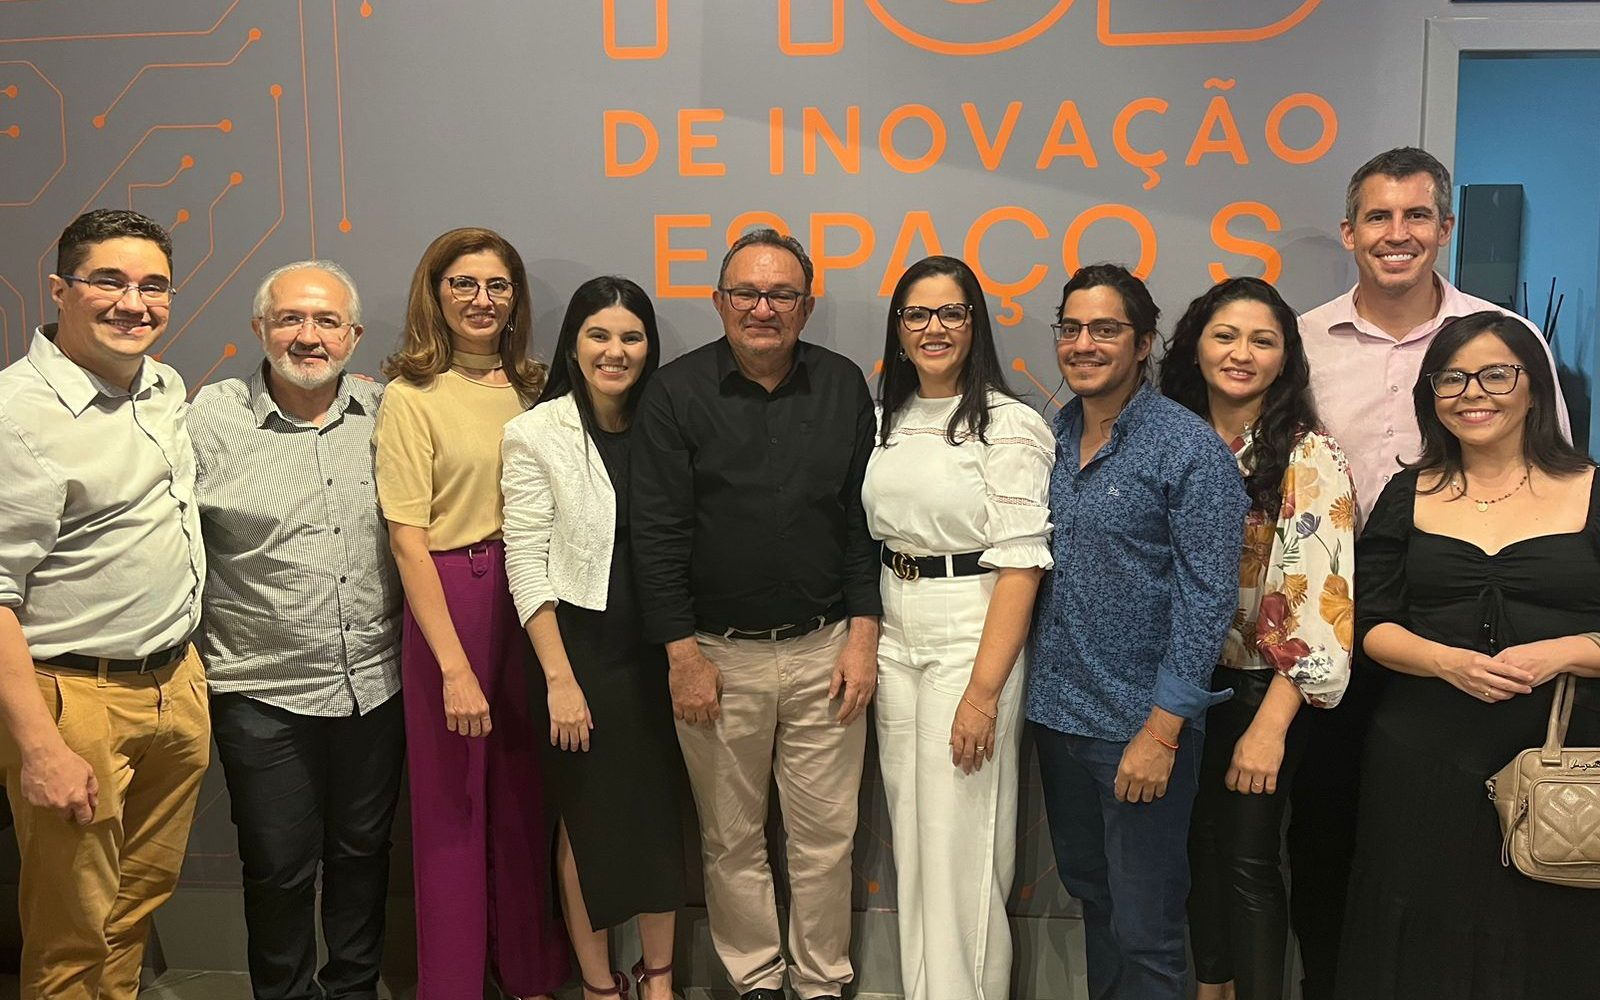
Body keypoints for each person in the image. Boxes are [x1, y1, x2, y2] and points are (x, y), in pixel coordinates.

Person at [1292, 146, 1572, 1000]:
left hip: (1502, 650)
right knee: (1337, 847)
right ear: (1349, 232)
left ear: (1445, 228)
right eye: (1378, 216)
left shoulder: (1504, 338)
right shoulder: (1301, 341)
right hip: (1347, 635)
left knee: (1509, 865)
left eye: (1417, 215)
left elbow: (1555, 474)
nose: (1398, 233)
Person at [631, 228, 881, 1000]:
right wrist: (682, 656)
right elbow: (657, 535)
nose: (762, 308)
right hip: (715, 656)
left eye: (781, 295)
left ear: (806, 305)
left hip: (825, 649)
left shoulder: (842, 385)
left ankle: (820, 982)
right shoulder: (675, 393)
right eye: (746, 293)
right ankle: (757, 981)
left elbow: (861, 524)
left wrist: (863, 639)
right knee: (730, 838)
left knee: (825, 840)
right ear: (718, 301)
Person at [1338, 311, 1600, 999]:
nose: (1472, 393)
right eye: (1450, 378)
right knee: (1421, 934)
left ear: (1534, 389)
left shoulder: (1591, 488)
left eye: (1495, 374)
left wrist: (1562, 652)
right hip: (1425, 753)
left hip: (1563, 759)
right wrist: (1445, 661)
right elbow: (1370, 624)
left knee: (1552, 931)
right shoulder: (1408, 492)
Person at [0, 209, 209, 1000]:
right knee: (71, 932)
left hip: (175, 686)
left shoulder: (163, 386)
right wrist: (41, 748)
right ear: (59, 291)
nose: (134, 303)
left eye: (154, 285)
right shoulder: (15, 416)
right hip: (73, 701)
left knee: (133, 909)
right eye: (109, 282)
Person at [1028, 263, 1248, 1000]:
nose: (1083, 344)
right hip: (1058, 719)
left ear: (1145, 342)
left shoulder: (1189, 450)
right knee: (1095, 902)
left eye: (1105, 329)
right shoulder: (1052, 436)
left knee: (1147, 928)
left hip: (1140, 730)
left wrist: (1161, 732)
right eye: (1071, 328)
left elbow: (1207, 601)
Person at [189, 260, 405, 1000]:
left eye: (326, 322)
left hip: (374, 686)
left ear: (354, 336)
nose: (308, 337)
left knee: (363, 857)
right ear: (260, 328)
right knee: (278, 870)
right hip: (261, 694)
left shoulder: (387, 412)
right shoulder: (209, 422)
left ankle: (353, 990)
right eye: (290, 319)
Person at [374, 228, 568, 1000]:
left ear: (515, 299)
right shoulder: (410, 395)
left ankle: (528, 972)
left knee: (522, 798)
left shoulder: (538, 389)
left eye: (497, 286)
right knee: (452, 807)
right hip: (449, 598)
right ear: (436, 294)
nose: (481, 300)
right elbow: (407, 540)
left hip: (531, 600)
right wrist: (453, 667)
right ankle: (452, 985)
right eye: (463, 284)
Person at [1159, 277, 1355, 1000]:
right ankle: (1212, 986)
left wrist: (1269, 728)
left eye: (1262, 340)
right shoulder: (1163, 439)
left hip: (1257, 690)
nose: (1241, 353)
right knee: (1191, 853)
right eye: (1225, 335)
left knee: (1246, 859)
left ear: (1285, 359)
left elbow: (1321, 607)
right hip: (1170, 688)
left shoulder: (1308, 455)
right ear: (1195, 346)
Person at [863, 255, 1053, 1000]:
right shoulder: (885, 419)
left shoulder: (1010, 426)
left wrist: (982, 694)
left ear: (975, 324)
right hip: (894, 629)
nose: (933, 328)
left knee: (961, 846)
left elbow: (1022, 564)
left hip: (970, 631)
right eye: (917, 314)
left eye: (951, 312)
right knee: (913, 841)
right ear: (898, 328)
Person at [501, 276, 685, 1000]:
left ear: (649, 346)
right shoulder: (535, 432)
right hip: (578, 651)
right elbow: (525, 561)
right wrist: (560, 679)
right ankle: (600, 984)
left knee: (659, 819)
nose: (616, 351)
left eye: (631, 336)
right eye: (599, 335)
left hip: (661, 646)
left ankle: (659, 980)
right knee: (588, 824)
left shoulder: (668, 418)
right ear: (573, 346)